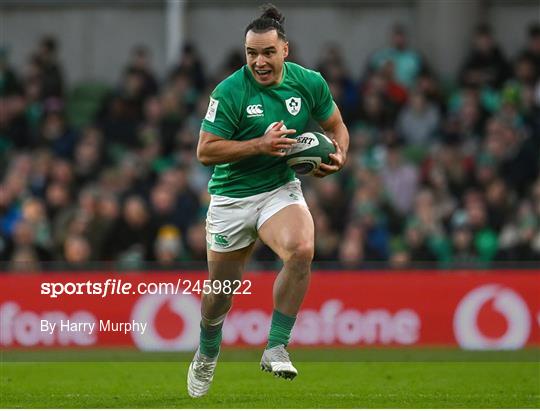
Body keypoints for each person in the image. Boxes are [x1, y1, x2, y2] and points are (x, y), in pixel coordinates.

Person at [187, 3, 349, 398]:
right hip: (230, 198)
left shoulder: (309, 83)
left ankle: (276, 345)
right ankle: (207, 352)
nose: (258, 61)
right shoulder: (229, 92)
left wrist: (340, 154)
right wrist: (259, 144)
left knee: (301, 249)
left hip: (279, 189)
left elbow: (336, 125)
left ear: (285, 51)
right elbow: (205, 152)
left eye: (267, 52)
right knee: (220, 292)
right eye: (251, 53)